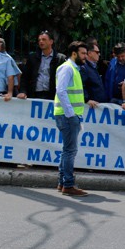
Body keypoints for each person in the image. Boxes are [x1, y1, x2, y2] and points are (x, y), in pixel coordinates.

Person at [54, 41, 89, 197]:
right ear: (74, 53)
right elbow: (61, 91)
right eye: (83, 53)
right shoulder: (68, 68)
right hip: (68, 116)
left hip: (68, 115)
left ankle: (63, 183)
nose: (86, 57)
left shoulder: (72, 68)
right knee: (70, 151)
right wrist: (71, 114)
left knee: (66, 150)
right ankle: (68, 184)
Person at [18, 30, 67, 101]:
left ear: (51, 42)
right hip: (35, 94)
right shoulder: (33, 58)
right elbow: (25, 77)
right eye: (39, 40)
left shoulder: (60, 59)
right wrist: (23, 91)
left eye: (44, 39)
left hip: (53, 95)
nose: (41, 42)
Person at [80, 43, 108, 107]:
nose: (99, 54)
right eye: (97, 52)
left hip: (98, 105)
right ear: (89, 53)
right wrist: (87, 100)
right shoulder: (84, 68)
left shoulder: (93, 67)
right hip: (91, 106)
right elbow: (82, 85)